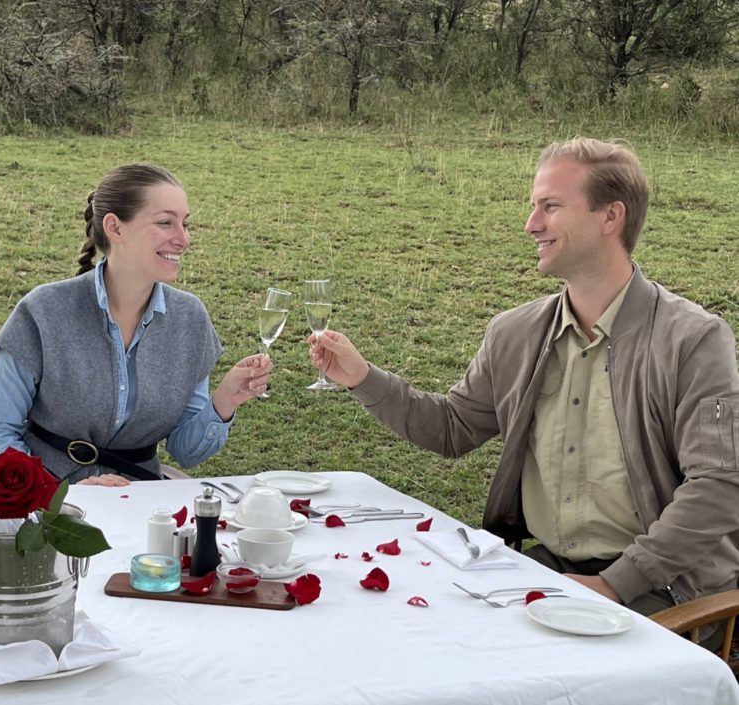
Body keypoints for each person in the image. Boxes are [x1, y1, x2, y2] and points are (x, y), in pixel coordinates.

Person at [310, 137, 739, 623]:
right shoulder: (515, 331)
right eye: (534, 206)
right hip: (547, 569)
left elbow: (720, 485)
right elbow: (453, 429)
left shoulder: (694, 339)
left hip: (668, 588)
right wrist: (363, 378)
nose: (531, 224)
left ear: (610, 217)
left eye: (550, 207)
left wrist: (614, 584)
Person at [0, 163, 272, 487]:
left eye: (185, 225)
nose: (183, 240)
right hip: (48, 510)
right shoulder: (42, 312)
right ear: (115, 228)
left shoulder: (189, 319)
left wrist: (224, 400)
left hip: (141, 508)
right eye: (165, 223)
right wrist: (57, 494)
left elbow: (186, 452)